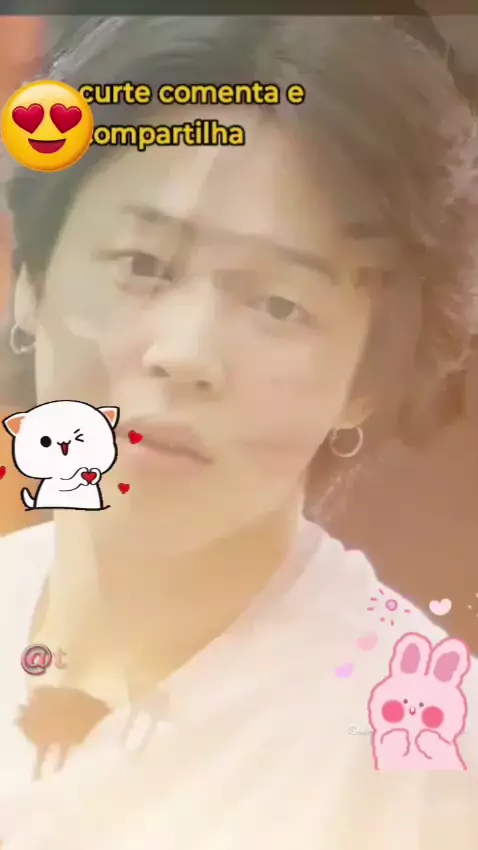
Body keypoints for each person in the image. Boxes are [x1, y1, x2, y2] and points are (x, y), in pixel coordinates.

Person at [0, 14, 477, 849]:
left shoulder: (421, 758)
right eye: (143, 265)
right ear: (30, 285)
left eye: (280, 305)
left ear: (366, 382)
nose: (187, 354)